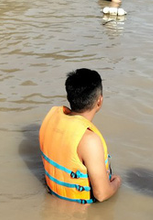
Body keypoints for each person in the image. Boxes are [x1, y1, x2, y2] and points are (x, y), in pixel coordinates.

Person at [39, 69, 121, 204]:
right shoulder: (89, 140)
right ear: (99, 101)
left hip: (54, 199)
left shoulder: (51, 119)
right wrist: (117, 182)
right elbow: (102, 194)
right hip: (80, 212)